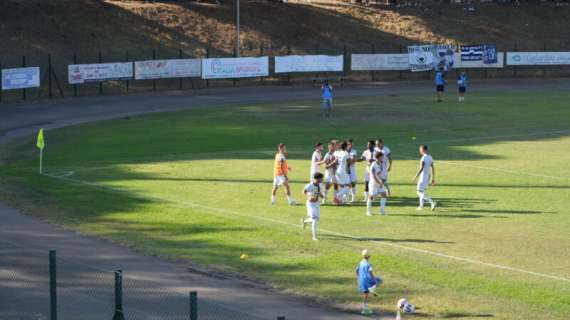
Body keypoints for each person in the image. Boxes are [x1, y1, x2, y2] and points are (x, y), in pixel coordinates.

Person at [355, 249, 382, 315]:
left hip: (361, 279)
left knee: (366, 293)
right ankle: (364, 309)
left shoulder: (360, 262)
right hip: (367, 280)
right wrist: (374, 279)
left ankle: (372, 290)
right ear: (369, 256)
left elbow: (356, 270)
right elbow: (370, 272)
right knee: (379, 280)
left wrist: (358, 276)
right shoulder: (369, 264)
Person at [411, 145, 437, 211]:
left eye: (420, 150)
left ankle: (432, 202)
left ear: (424, 150)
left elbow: (421, 168)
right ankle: (421, 206)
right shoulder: (430, 157)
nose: (420, 151)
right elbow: (432, 168)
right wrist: (433, 178)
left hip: (423, 177)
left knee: (419, 192)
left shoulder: (423, 158)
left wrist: (415, 177)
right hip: (428, 176)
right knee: (422, 192)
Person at [302, 172, 324, 241]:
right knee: (314, 220)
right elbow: (303, 191)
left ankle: (305, 221)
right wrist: (308, 196)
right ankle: (314, 237)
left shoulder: (318, 186)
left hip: (316, 204)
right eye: (321, 179)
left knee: (316, 219)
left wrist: (322, 196)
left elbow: (318, 192)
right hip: (310, 204)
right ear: (317, 178)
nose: (322, 180)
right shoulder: (309, 185)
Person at [330, 140, 352, 204]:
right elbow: (349, 162)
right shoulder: (346, 154)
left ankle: (342, 200)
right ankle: (337, 195)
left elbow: (334, 158)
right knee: (348, 186)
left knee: (342, 186)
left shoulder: (337, 152)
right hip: (343, 171)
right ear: (345, 147)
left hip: (337, 171)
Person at [367, 151, 388, 216]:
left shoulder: (380, 163)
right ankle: (368, 212)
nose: (383, 158)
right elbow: (373, 176)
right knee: (371, 196)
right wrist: (380, 182)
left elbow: (379, 174)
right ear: (378, 157)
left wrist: (382, 181)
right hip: (373, 183)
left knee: (384, 195)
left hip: (379, 183)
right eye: (382, 157)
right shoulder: (374, 165)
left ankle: (382, 211)